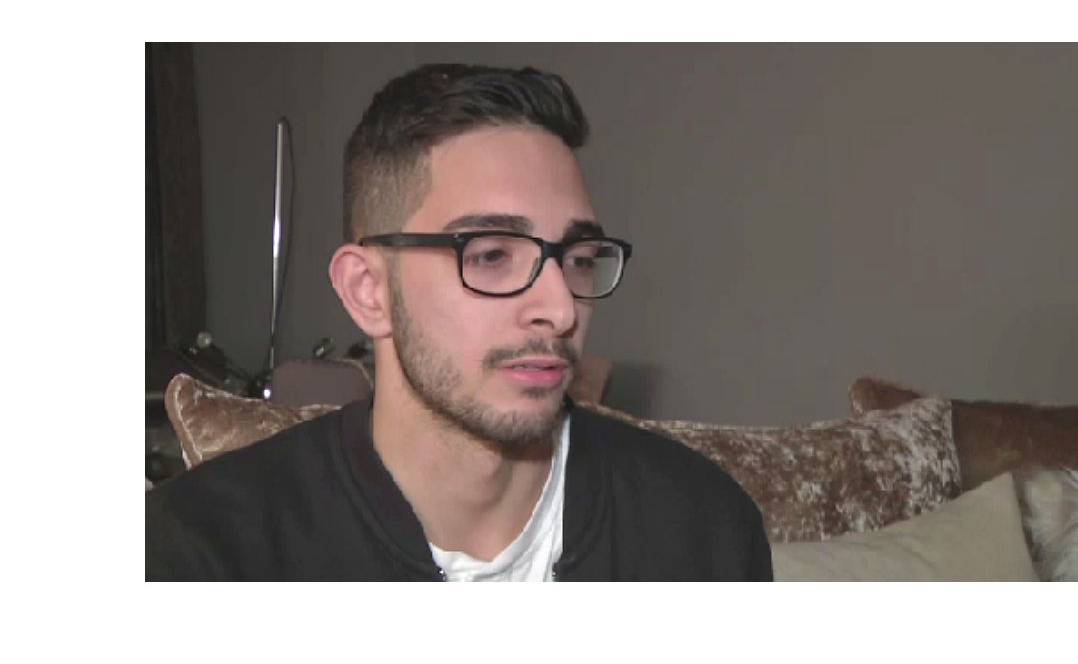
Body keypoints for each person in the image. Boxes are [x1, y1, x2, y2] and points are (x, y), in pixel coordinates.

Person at [146, 63, 772, 581]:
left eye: (579, 258)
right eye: (492, 255)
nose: (560, 309)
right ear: (368, 291)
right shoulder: (201, 553)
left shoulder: (704, 530)